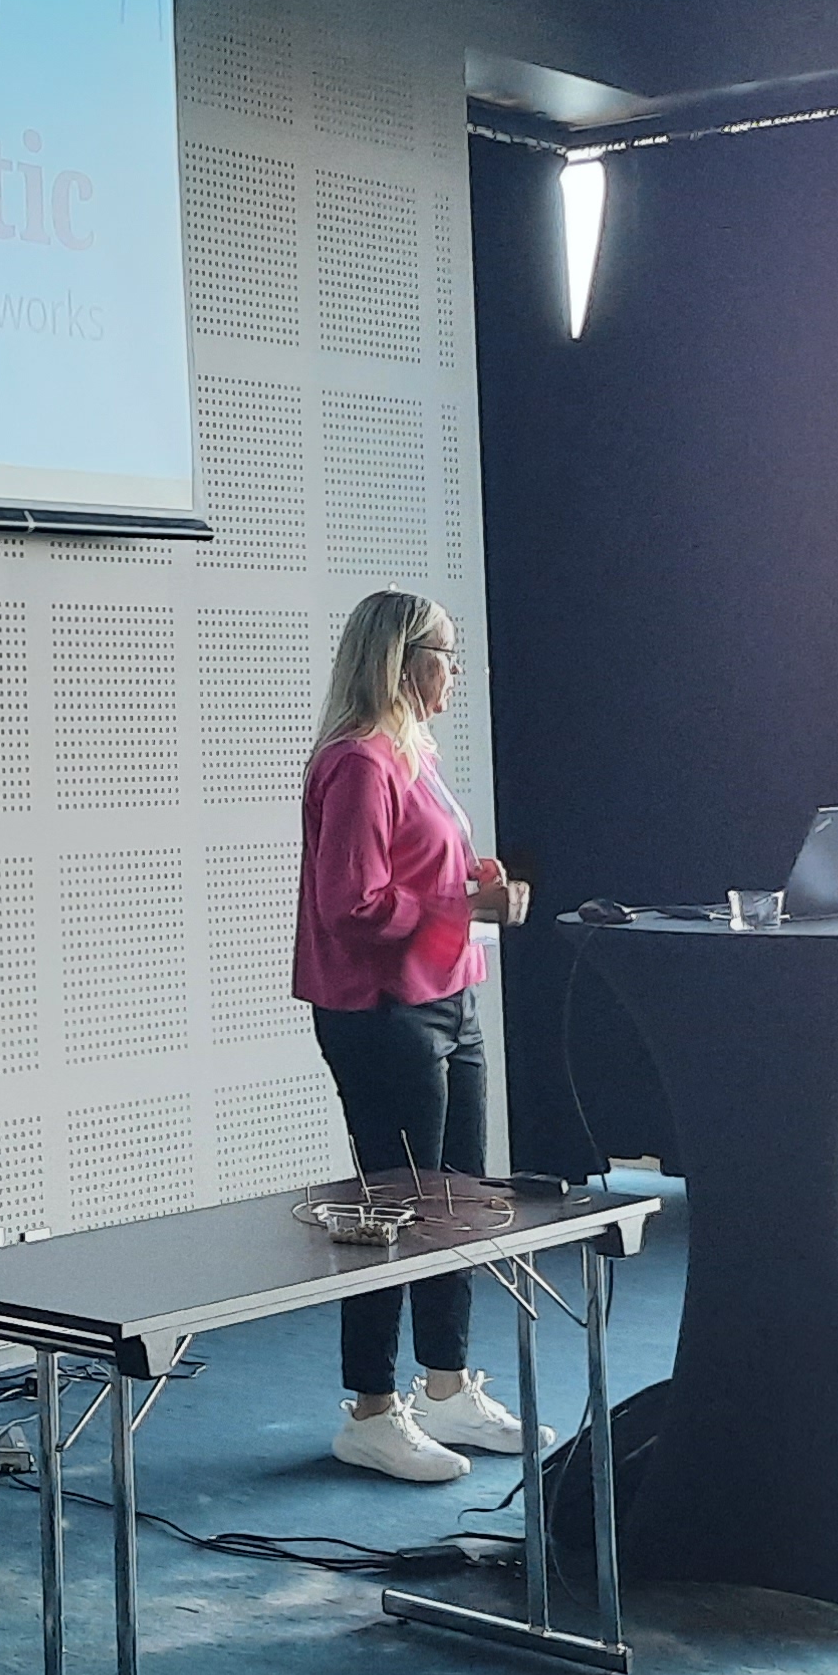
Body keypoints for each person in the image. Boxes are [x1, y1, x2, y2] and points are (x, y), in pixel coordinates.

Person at [296, 589, 532, 1483]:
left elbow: (413, 871)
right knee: (391, 1207)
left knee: (455, 1202)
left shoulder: (414, 753)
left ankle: (444, 1384)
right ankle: (368, 1406)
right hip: (381, 1010)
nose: (456, 672)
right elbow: (348, 905)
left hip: (448, 995)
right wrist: (460, 901)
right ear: (402, 661)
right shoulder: (358, 762)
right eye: (446, 653)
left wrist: (472, 879)